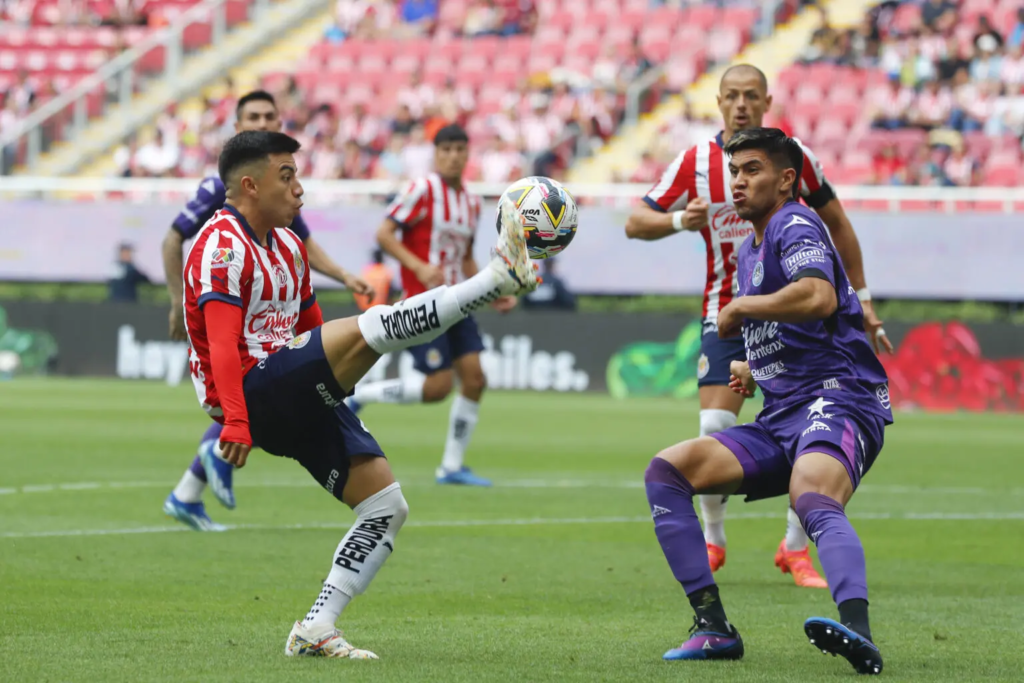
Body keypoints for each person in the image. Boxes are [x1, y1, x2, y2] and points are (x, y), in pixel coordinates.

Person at [184, 130, 536, 657]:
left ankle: (316, 628)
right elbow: (222, 349)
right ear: (251, 185)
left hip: (290, 391)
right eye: (288, 176)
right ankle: (494, 280)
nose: (299, 189)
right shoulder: (221, 245)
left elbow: (310, 327)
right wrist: (234, 422)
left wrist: (335, 389)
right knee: (375, 325)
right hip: (253, 391)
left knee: (386, 506)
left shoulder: (287, 246)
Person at [625, 64, 892, 588]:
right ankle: (715, 539)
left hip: (789, 306)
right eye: (731, 96)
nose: (741, 104)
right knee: (714, 430)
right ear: (718, 101)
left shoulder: (793, 157)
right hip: (724, 311)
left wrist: (862, 299)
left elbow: (837, 225)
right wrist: (682, 219)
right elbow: (636, 222)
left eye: (751, 96)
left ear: (767, 101)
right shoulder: (697, 163)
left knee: (809, 424)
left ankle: (795, 550)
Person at [161, 89, 373, 531]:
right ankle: (216, 450)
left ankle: (189, 488)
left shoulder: (283, 209)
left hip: (265, 318)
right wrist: (180, 300)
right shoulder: (216, 192)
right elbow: (172, 238)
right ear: (237, 127)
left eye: (270, 117)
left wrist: (344, 277)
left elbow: (304, 245)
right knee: (251, 389)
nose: (262, 123)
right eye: (253, 116)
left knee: (383, 503)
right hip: (223, 304)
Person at [345, 124, 515, 487]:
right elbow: (384, 234)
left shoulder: (471, 201)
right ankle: (359, 396)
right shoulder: (421, 190)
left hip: (460, 301)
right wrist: (417, 265)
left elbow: (465, 257)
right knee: (437, 387)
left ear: (468, 155)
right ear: (436, 154)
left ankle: (451, 467)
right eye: (447, 149)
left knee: (475, 379)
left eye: (460, 149)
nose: (454, 156)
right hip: (423, 303)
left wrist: (492, 289)